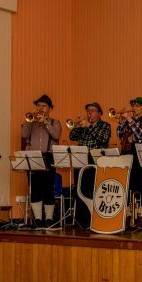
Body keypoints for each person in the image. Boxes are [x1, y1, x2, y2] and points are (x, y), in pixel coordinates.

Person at [21, 94, 62, 229]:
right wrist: (29, 121)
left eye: (44, 105)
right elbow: (24, 135)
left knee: (48, 188)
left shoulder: (55, 122)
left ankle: (49, 219)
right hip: (33, 156)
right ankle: (38, 219)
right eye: (38, 105)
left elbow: (56, 135)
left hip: (48, 156)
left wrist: (45, 122)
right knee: (35, 188)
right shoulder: (32, 121)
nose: (40, 108)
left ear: (50, 108)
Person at [68, 102, 111, 227]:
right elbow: (72, 136)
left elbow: (102, 139)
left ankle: (93, 220)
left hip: (96, 161)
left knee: (91, 191)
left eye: (93, 110)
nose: (89, 113)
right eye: (88, 110)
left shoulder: (105, 125)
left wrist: (89, 127)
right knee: (79, 190)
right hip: (80, 160)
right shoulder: (83, 125)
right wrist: (77, 126)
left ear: (99, 113)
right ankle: (81, 221)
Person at [116, 97, 142, 217]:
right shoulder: (129, 120)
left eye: (137, 106)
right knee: (127, 185)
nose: (134, 108)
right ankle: (128, 214)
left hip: (140, 155)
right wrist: (122, 122)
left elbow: (141, 134)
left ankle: (140, 214)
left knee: (138, 184)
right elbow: (120, 135)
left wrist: (128, 119)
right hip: (126, 154)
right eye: (133, 105)